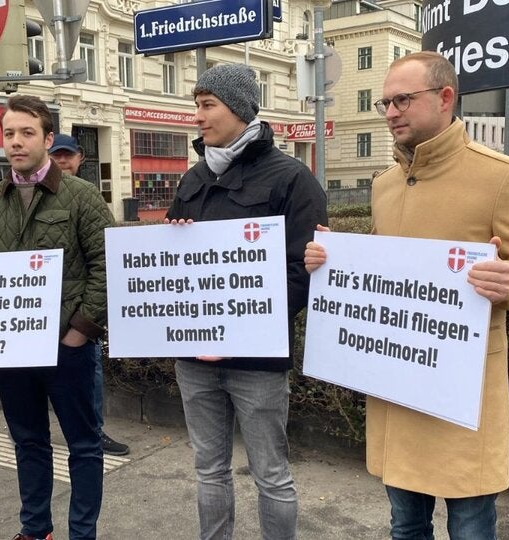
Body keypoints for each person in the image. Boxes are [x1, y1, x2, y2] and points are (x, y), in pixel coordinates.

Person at [304, 52, 509, 539]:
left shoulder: (504, 176)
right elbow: (382, 278)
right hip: (397, 382)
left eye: (403, 99)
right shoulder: (383, 184)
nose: (391, 112)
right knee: (405, 525)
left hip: (464, 388)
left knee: (469, 526)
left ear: (446, 98)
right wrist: (329, 265)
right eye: (385, 103)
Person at [165, 63, 328, 540]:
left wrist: (237, 333)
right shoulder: (194, 177)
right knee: (208, 470)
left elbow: (302, 274)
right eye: (196, 105)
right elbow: (174, 266)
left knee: (271, 475)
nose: (197, 116)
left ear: (238, 108)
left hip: (257, 361)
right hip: (194, 356)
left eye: (207, 105)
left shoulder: (292, 178)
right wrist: (172, 241)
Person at [0, 95, 114, 540]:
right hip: (12, 352)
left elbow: (106, 266)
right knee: (28, 443)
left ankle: (81, 533)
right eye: (8, 133)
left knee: (84, 446)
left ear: (48, 139)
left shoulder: (80, 196)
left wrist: (80, 331)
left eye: (26, 133)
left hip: (67, 349)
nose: (15, 142)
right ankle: (35, 530)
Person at [47, 133, 130, 457]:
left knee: (89, 379)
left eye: (67, 155)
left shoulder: (88, 196)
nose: (62, 161)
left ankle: (94, 432)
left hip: (78, 315)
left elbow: (107, 258)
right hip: (35, 312)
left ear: (79, 158)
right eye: (57, 155)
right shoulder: (31, 198)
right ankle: (29, 432)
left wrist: (86, 320)